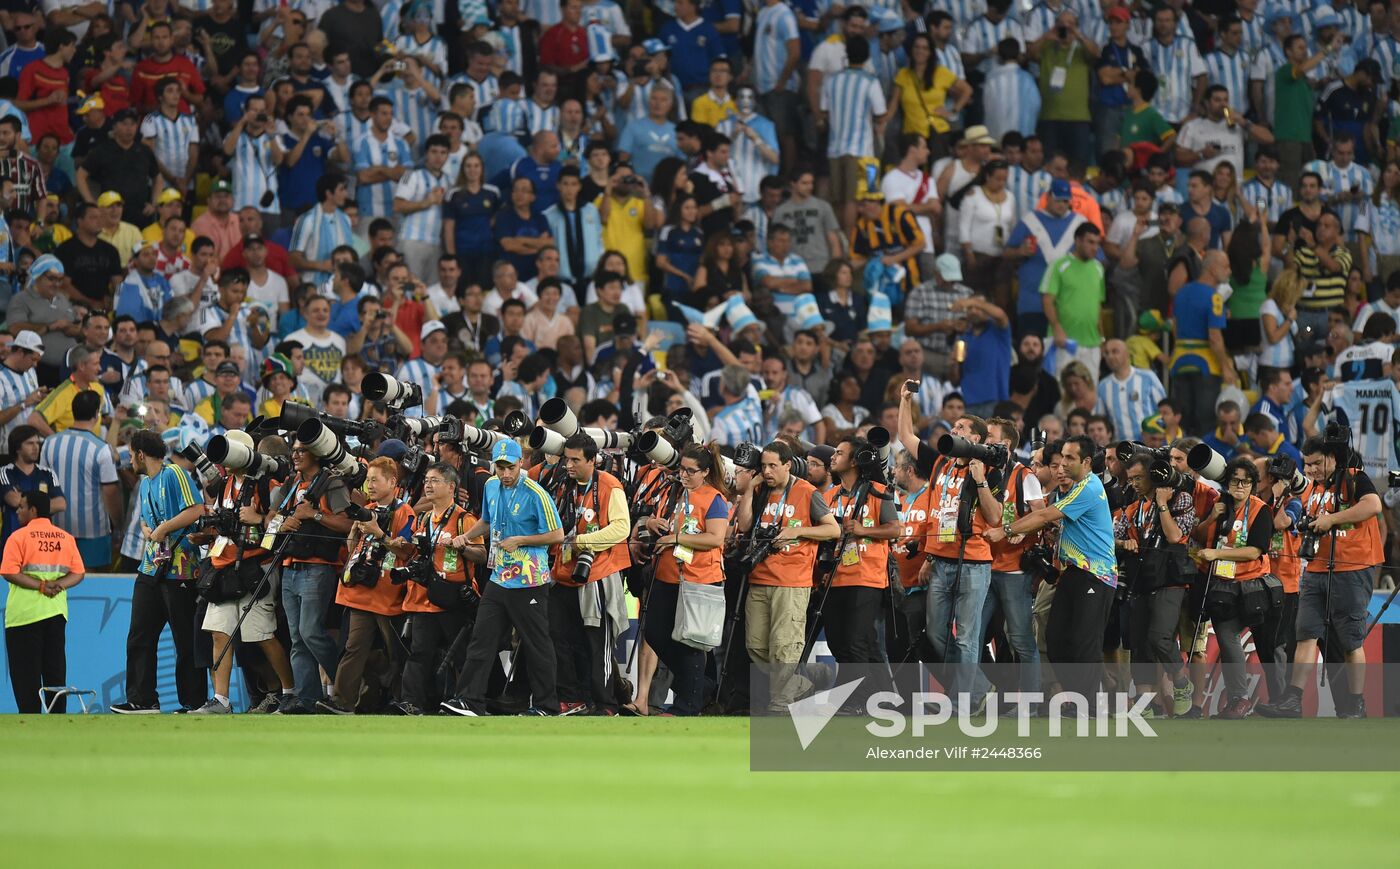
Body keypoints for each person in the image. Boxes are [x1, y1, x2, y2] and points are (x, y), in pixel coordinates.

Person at [984, 435, 1116, 707]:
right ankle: (1093, 692)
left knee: (1084, 641)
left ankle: (1089, 703)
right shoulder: (1074, 488)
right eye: (1062, 457)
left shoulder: (1089, 487)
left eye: (1070, 458)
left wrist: (1005, 530)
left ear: (1086, 462)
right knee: (1055, 638)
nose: (1063, 464)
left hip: (1096, 574)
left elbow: (1044, 515)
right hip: (1071, 573)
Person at [1258, 435, 1383, 719]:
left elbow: (1373, 505)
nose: (1311, 469)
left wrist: (1331, 520)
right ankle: (1293, 699)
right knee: (1306, 635)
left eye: (1316, 463)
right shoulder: (1312, 488)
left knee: (1351, 640)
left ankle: (1355, 703)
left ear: (1333, 458)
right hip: (1315, 568)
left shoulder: (1354, 477)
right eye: (1307, 464)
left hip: (1352, 567)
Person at [442, 440, 563, 717]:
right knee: (481, 638)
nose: (506, 473)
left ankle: (547, 705)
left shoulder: (536, 493)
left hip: (529, 580)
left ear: (522, 463)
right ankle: (470, 700)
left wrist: (521, 540)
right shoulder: (491, 486)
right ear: (494, 465)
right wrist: (466, 536)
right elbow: (486, 520)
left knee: (536, 643)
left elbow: (557, 534)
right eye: (501, 467)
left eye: (511, 467)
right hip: (499, 577)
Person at [188, 432, 296, 714]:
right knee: (219, 633)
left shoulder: (265, 483)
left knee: (261, 635)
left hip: (255, 568)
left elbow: (282, 522)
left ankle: (288, 691)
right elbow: (226, 523)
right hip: (223, 566)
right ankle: (221, 699)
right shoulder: (224, 485)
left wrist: (259, 519)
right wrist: (206, 535)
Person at [732, 439, 839, 711]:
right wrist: (749, 491)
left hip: (792, 580)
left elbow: (833, 530)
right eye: (763, 466)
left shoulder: (806, 491)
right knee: (755, 645)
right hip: (759, 578)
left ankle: (781, 704)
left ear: (788, 465)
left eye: (773, 466)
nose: (767, 471)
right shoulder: (760, 492)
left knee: (784, 646)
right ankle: (802, 684)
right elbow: (744, 526)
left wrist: (797, 531)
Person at [110, 429, 205, 714]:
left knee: (185, 641)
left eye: (130, 455)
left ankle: (193, 703)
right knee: (140, 635)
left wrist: (163, 528)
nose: (129, 461)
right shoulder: (146, 483)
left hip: (181, 570)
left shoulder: (174, 473)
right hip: (151, 567)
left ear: (141, 454)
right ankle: (142, 699)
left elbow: (197, 510)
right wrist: (147, 528)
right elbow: (144, 520)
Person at [266, 430, 356, 713]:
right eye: (293, 450)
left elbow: (347, 524)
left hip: (319, 567)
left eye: (301, 450)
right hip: (291, 565)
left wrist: (313, 515)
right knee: (297, 638)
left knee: (310, 632)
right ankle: (306, 699)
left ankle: (347, 684)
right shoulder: (292, 482)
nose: (294, 455)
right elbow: (272, 514)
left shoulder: (332, 483)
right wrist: (282, 523)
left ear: (316, 452)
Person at [641, 442, 730, 716]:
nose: (684, 475)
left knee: (691, 642)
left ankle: (686, 705)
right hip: (668, 576)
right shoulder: (677, 495)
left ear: (705, 472)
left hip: (699, 579)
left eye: (691, 471)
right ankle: (699, 686)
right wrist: (651, 523)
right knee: (654, 632)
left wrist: (676, 538)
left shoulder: (714, 498)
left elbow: (715, 538)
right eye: (682, 469)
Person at [548, 433, 631, 715]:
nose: (568, 465)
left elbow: (622, 528)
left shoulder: (609, 485)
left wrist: (582, 542)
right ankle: (572, 698)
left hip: (598, 575)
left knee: (598, 645)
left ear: (592, 460)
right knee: (559, 638)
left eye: (575, 460)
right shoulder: (561, 484)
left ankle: (606, 704)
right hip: (562, 574)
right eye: (566, 459)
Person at [1116, 452, 1199, 717]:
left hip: (1170, 579)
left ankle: (1182, 683)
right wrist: (1123, 543)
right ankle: (1145, 704)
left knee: (1159, 637)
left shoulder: (1180, 498)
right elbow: (1113, 537)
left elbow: (1175, 535)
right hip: (1141, 578)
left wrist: (1162, 504)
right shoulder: (1133, 506)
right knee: (1140, 642)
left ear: (1154, 475)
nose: (1134, 484)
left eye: (1139, 477)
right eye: (1131, 479)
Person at [1, 489, 84, 713]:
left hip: (24, 615)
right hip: (56, 612)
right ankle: (58, 722)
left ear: (33, 510)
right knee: (55, 674)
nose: (18, 511)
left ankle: (30, 722)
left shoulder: (18, 537)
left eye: (22, 507)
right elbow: (78, 573)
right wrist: (59, 585)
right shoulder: (65, 538)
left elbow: (8, 571)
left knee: (26, 677)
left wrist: (40, 586)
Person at [1170, 250, 1239, 434]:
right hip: (1205, 366)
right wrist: (1225, 367)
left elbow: (1175, 328)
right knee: (1205, 422)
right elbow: (1214, 337)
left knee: (1183, 422)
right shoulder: (1214, 297)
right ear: (1212, 268)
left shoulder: (1181, 293)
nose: (1229, 271)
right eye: (1225, 266)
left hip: (1179, 362)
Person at [1041, 222, 1107, 383]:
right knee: (1063, 393)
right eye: (1090, 242)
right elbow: (1047, 300)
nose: (1095, 247)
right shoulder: (1059, 265)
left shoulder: (1098, 268)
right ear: (1077, 241)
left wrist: (1102, 339)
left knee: (1091, 395)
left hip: (1092, 343)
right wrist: (1057, 328)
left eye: (1097, 243)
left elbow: (1097, 306)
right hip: (1066, 342)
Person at [1095, 338, 1166, 443]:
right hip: (1120, 450)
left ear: (1127, 354)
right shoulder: (1103, 386)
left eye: (1115, 351)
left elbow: (1164, 411)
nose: (1110, 356)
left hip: (1149, 447)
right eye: (1106, 353)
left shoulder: (1148, 377)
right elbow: (1101, 420)